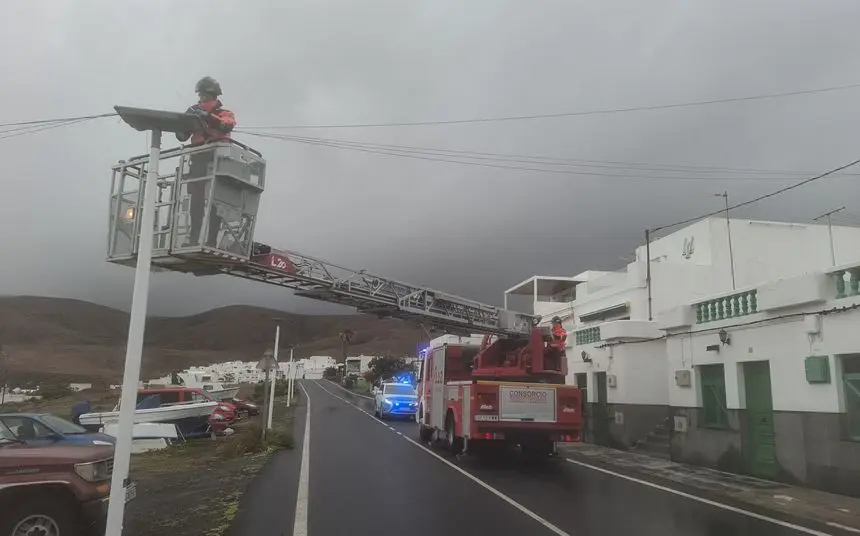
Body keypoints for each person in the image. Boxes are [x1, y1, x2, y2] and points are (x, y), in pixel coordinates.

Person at [176, 76, 237, 247]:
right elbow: (182, 135)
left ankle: (211, 241)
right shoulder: (192, 111)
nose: (202, 98)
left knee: (216, 200)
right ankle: (194, 239)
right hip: (198, 157)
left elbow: (227, 125)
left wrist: (207, 117)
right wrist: (183, 124)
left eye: (206, 95)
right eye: (200, 94)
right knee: (196, 199)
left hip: (219, 157)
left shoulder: (224, 113)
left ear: (214, 95)